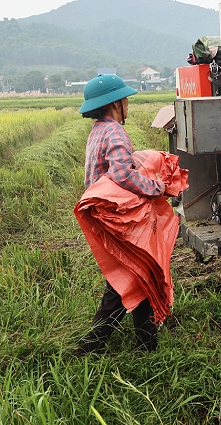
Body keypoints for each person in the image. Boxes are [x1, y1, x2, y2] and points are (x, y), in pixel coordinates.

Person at [76, 74, 166, 355]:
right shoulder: (114, 131)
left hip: (104, 216)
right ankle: (90, 347)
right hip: (117, 218)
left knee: (138, 274)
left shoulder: (98, 130)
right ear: (115, 103)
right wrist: (155, 187)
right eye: (125, 99)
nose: (128, 103)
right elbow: (121, 174)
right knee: (126, 279)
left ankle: (146, 345)